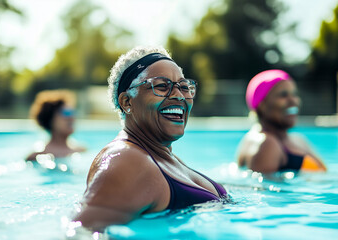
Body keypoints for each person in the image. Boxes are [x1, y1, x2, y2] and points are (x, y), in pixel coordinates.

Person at [72, 46, 229, 232]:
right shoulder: (126, 161)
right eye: (162, 86)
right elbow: (81, 233)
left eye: (184, 87)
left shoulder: (160, 156)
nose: (179, 96)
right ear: (127, 102)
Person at [237, 69, 327, 174]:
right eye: (283, 95)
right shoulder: (266, 143)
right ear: (262, 105)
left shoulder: (296, 139)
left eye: (294, 94)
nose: (293, 100)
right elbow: (263, 189)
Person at [26, 89, 85, 161]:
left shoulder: (82, 150)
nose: (71, 117)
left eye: (72, 112)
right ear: (50, 119)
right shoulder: (37, 156)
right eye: (66, 113)